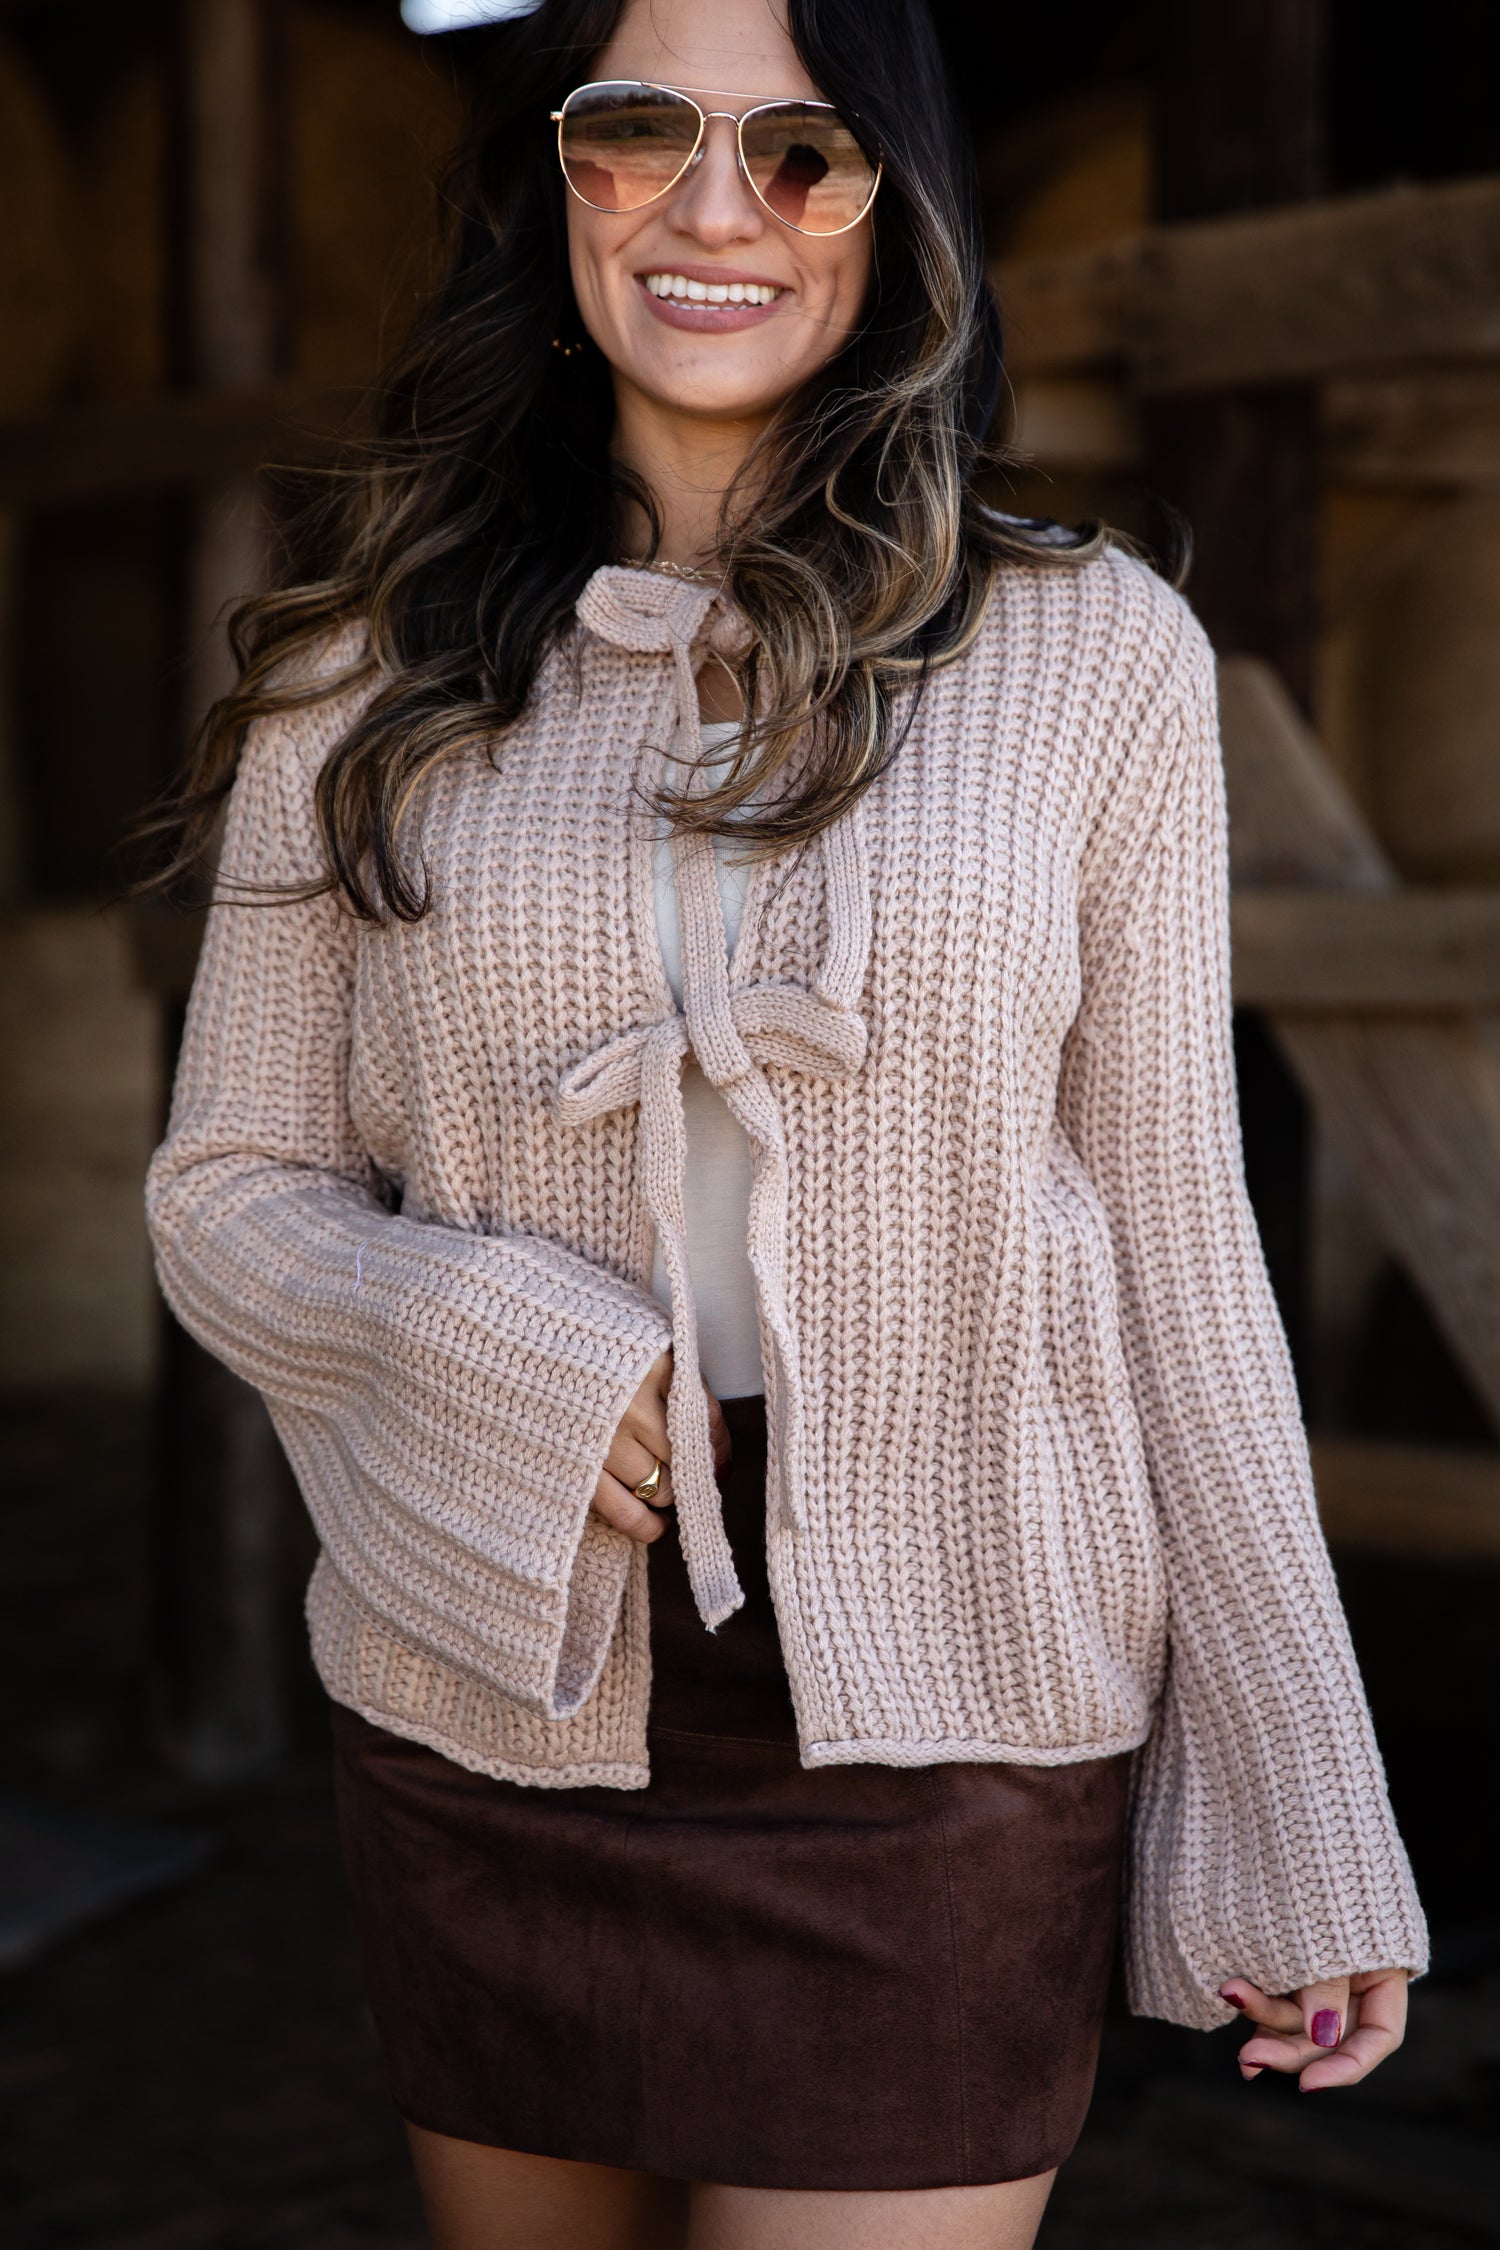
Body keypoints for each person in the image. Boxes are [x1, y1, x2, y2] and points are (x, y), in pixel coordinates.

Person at [143, 1, 1427, 2244]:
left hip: (956, 1707)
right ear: (563, 184)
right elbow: (223, 1189)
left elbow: (1184, 1256)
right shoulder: (365, 672)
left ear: (895, 208)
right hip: (494, 1684)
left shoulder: (1091, 652)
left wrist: (1307, 1801)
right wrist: (487, 1343)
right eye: (639, 132)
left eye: (803, 150)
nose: (713, 206)